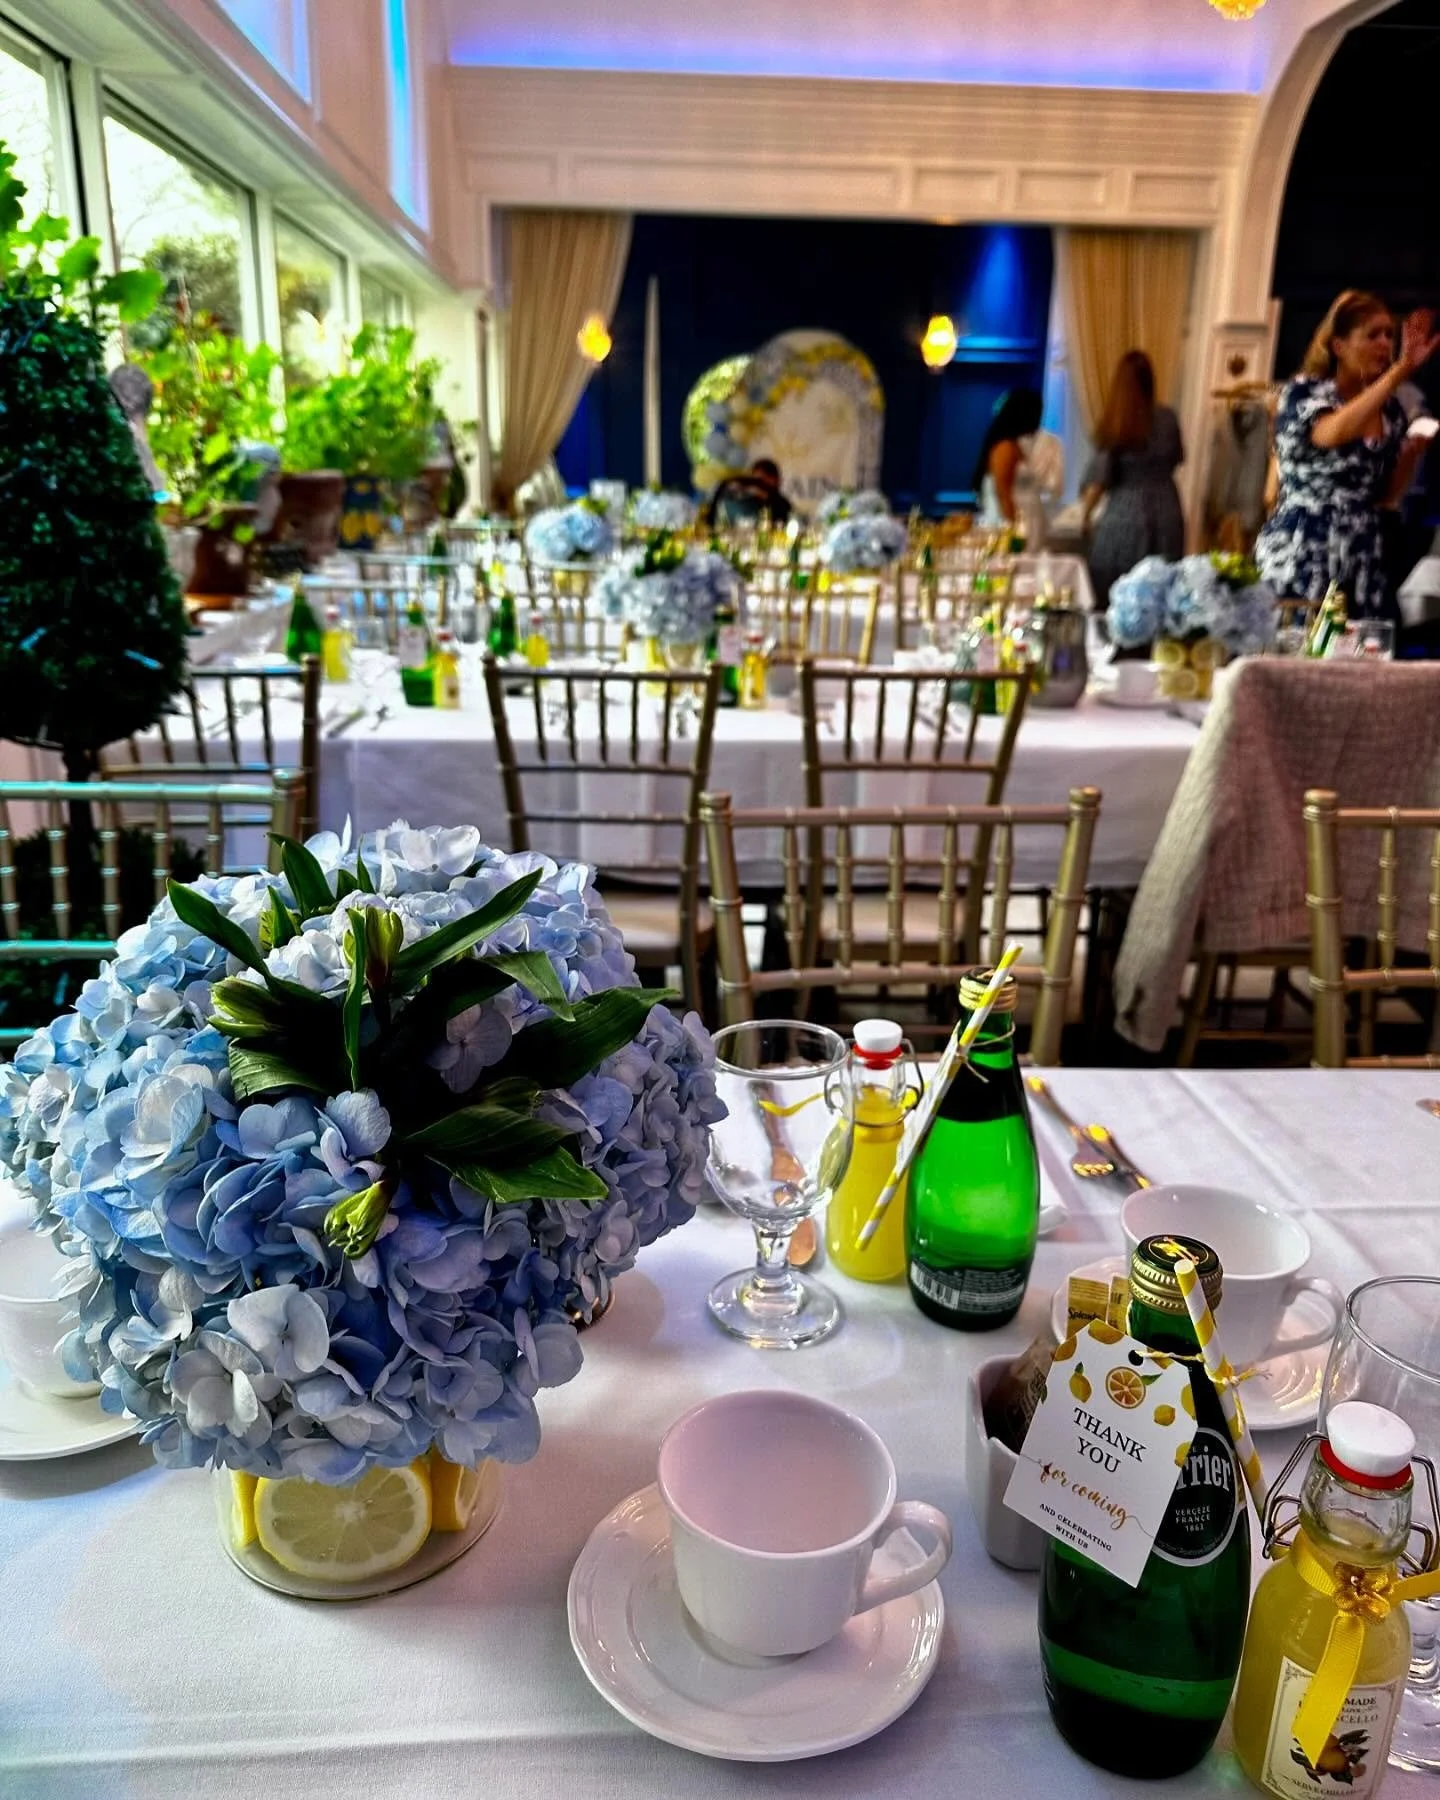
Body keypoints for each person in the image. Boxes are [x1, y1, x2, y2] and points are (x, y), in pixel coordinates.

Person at [1255, 291, 1440, 619]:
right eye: (1373, 335)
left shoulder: (1390, 411)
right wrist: (1401, 370)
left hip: (1364, 551)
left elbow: (1386, 495)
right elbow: (1332, 433)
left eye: (1389, 335)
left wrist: (1410, 456)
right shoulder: (1304, 393)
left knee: (1366, 645)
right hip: (1306, 546)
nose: (1385, 344)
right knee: (1301, 642)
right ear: (1338, 346)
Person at [1081, 350, 1185, 611]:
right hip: (1167, 509)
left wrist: (1085, 515)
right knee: (1160, 591)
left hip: (1126, 513)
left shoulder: (1117, 421)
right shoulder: (1167, 418)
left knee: (1114, 591)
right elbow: (1176, 459)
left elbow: (1099, 479)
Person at [974, 388, 1064, 549]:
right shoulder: (1005, 448)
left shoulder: (1015, 446)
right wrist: (1013, 532)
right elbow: (1003, 493)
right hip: (1012, 522)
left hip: (1029, 519)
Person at [702, 457, 793, 529]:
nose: (760, 485)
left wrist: (765, 497)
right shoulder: (735, 489)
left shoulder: (780, 503)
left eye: (762, 481)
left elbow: (782, 521)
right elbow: (713, 516)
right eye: (757, 480)